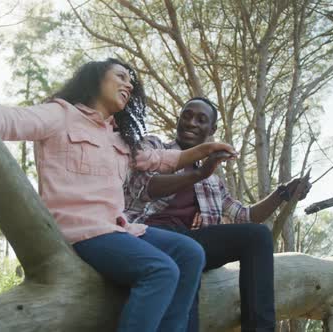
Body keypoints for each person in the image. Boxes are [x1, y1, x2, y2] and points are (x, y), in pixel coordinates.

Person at [0, 59, 237, 332]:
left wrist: (206, 151)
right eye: (121, 77)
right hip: (81, 231)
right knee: (161, 271)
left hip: (118, 229)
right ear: (96, 78)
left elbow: (162, 159)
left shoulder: (119, 139)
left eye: (131, 82)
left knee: (190, 253)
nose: (128, 85)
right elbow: (14, 119)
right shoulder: (61, 114)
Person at [124, 97, 311, 332]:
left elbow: (246, 216)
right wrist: (199, 173)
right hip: (147, 234)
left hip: (190, 242)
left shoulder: (213, 181)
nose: (191, 123)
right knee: (186, 265)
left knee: (257, 235)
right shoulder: (154, 147)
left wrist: (282, 193)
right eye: (187, 115)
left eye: (201, 120)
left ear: (211, 130)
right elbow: (144, 187)